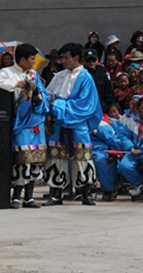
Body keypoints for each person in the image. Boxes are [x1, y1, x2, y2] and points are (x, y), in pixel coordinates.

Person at [0, 43, 50, 209]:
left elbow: (44, 96)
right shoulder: (7, 73)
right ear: (22, 60)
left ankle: (29, 197)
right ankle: (16, 196)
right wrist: (16, 84)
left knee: (35, 159)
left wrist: (37, 94)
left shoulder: (34, 75)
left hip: (35, 121)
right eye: (32, 59)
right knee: (22, 158)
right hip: (20, 122)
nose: (33, 62)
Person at [41, 43, 103, 207]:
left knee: (82, 157)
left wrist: (59, 106)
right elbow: (48, 94)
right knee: (55, 157)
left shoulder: (86, 77)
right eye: (61, 58)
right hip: (58, 123)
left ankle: (86, 193)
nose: (62, 61)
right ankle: (55, 194)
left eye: (65, 57)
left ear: (76, 58)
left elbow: (86, 104)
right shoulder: (58, 76)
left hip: (77, 123)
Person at [91, 105, 132, 201]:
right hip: (80, 149)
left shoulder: (100, 124)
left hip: (99, 150)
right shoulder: (76, 121)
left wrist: (123, 150)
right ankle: (79, 190)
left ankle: (108, 190)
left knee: (101, 160)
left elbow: (112, 139)